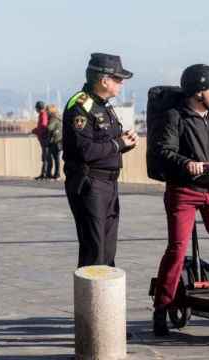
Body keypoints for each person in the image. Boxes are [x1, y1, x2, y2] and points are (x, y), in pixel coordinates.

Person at [151, 64, 209, 336]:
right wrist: (186, 163)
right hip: (184, 191)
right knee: (177, 249)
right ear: (198, 91)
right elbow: (164, 150)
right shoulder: (175, 117)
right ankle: (162, 306)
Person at [62, 53, 138, 268]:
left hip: (109, 183)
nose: (121, 84)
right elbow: (85, 150)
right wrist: (118, 144)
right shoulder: (81, 106)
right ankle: (91, 301)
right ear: (104, 80)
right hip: (90, 184)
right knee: (94, 250)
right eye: (118, 79)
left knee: (107, 250)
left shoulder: (104, 106)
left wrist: (125, 143)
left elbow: (106, 144)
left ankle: (106, 300)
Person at [32, 100, 49, 180]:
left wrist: (36, 131)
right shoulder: (42, 115)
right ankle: (43, 173)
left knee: (45, 156)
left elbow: (43, 126)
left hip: (44, 139)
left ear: (38, 108)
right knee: (44, 156)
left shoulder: (43, 115)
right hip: (43, 139)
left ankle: (44, 174)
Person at [45, 104, 63, 180]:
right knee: (56, 158)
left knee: (56, 158)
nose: (46, 112)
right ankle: (56, 174)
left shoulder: (53, 118)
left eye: (47, 110)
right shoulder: (58, 117)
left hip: (55, 141)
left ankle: (57, 174)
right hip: (59, 140)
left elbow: (50, 128)